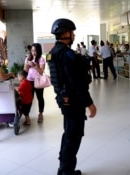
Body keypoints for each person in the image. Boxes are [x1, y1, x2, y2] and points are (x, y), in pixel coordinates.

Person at [48, 18, 97, 175]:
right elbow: (77, 82)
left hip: (63, 100)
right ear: (64, 33)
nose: (74, 35)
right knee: (73, 137)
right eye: (72, 32)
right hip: (73, 101)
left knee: (68, 134)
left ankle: (63, 169)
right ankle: (67, 171)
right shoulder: (67, 54)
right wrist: (89, 103)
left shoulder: (53, 53)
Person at [24, 43, 45, 122]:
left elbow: (41, 72)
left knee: (40, 98)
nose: (33, 52)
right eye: (32, 50)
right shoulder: (28, 58)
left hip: (38, 81)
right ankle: (27, 116)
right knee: (29, 98)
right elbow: (25, 71)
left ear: (39, 51)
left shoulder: (41, 59)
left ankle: (40, 113)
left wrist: (35, 66)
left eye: (35, 51)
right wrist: (28, 65)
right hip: (29, 81)